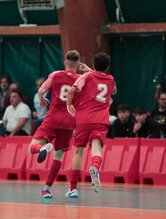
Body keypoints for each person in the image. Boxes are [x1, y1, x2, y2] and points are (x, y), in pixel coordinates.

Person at [28, 50, 90, 199]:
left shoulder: (55, 75)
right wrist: (88, 70)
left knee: (32, 148)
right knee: (59, 155)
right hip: (69, 121)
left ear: (65, 62)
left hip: (53, 118)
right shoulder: (82, 79)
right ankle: (47, 189)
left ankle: (43, 147)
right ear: (78, 63)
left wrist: (44, 100)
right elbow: (99, 78)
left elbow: (41, 91)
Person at [66, 52, 116, 198]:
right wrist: (92, 70)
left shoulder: (87, 76)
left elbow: (72, 90)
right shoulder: (111, 79)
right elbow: (114, 90)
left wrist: (69, 104)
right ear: (107, 67)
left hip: (84, 118)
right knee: (97, 148)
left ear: (94, 64)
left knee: (78, 151)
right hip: (101, 119)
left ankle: (73, 189)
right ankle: (94, 167)